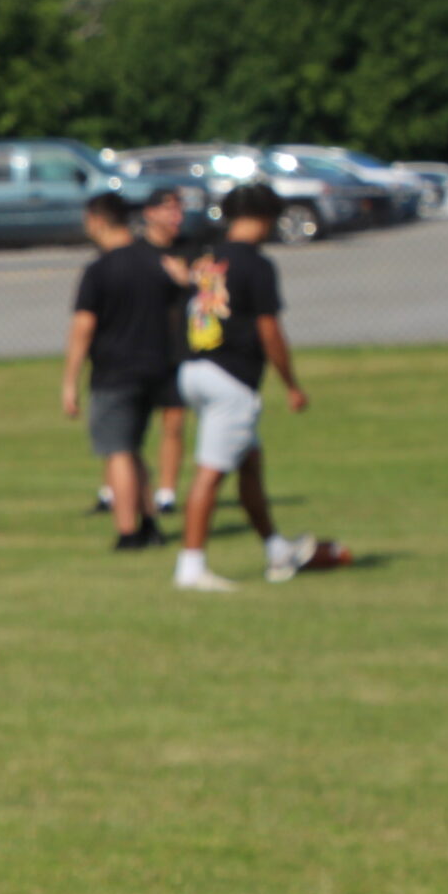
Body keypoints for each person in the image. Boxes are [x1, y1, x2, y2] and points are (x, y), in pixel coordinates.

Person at [172, 182, 319, 592]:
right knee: (211, 472)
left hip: (194, 367)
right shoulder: (257, 265)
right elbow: (269, 329)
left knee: (249, 461)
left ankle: (276, 548)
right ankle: (191, 567)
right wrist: (291, 383)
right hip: (231, 376)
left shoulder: (207, 258)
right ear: (267, 218)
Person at [60, 191, 184, 551]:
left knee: (116, 450)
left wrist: (70, 382)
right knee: (132, 449)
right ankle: (150, 525)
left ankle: (127, 532)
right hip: (157, 368)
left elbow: (83, 327)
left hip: (115, 371)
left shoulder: (99, 271)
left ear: (97, 221)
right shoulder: (156, 261)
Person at [138, 187, 194, 514]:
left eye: (179, 209)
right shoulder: (138, 253)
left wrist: (187, 280)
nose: (176, 216)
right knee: (132, 424)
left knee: (174, 420)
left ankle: (167, 493)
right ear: (150, 212)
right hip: (140, 347)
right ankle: (115, 490)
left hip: (176, 348)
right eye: (168, 208)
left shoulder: (190, 249)